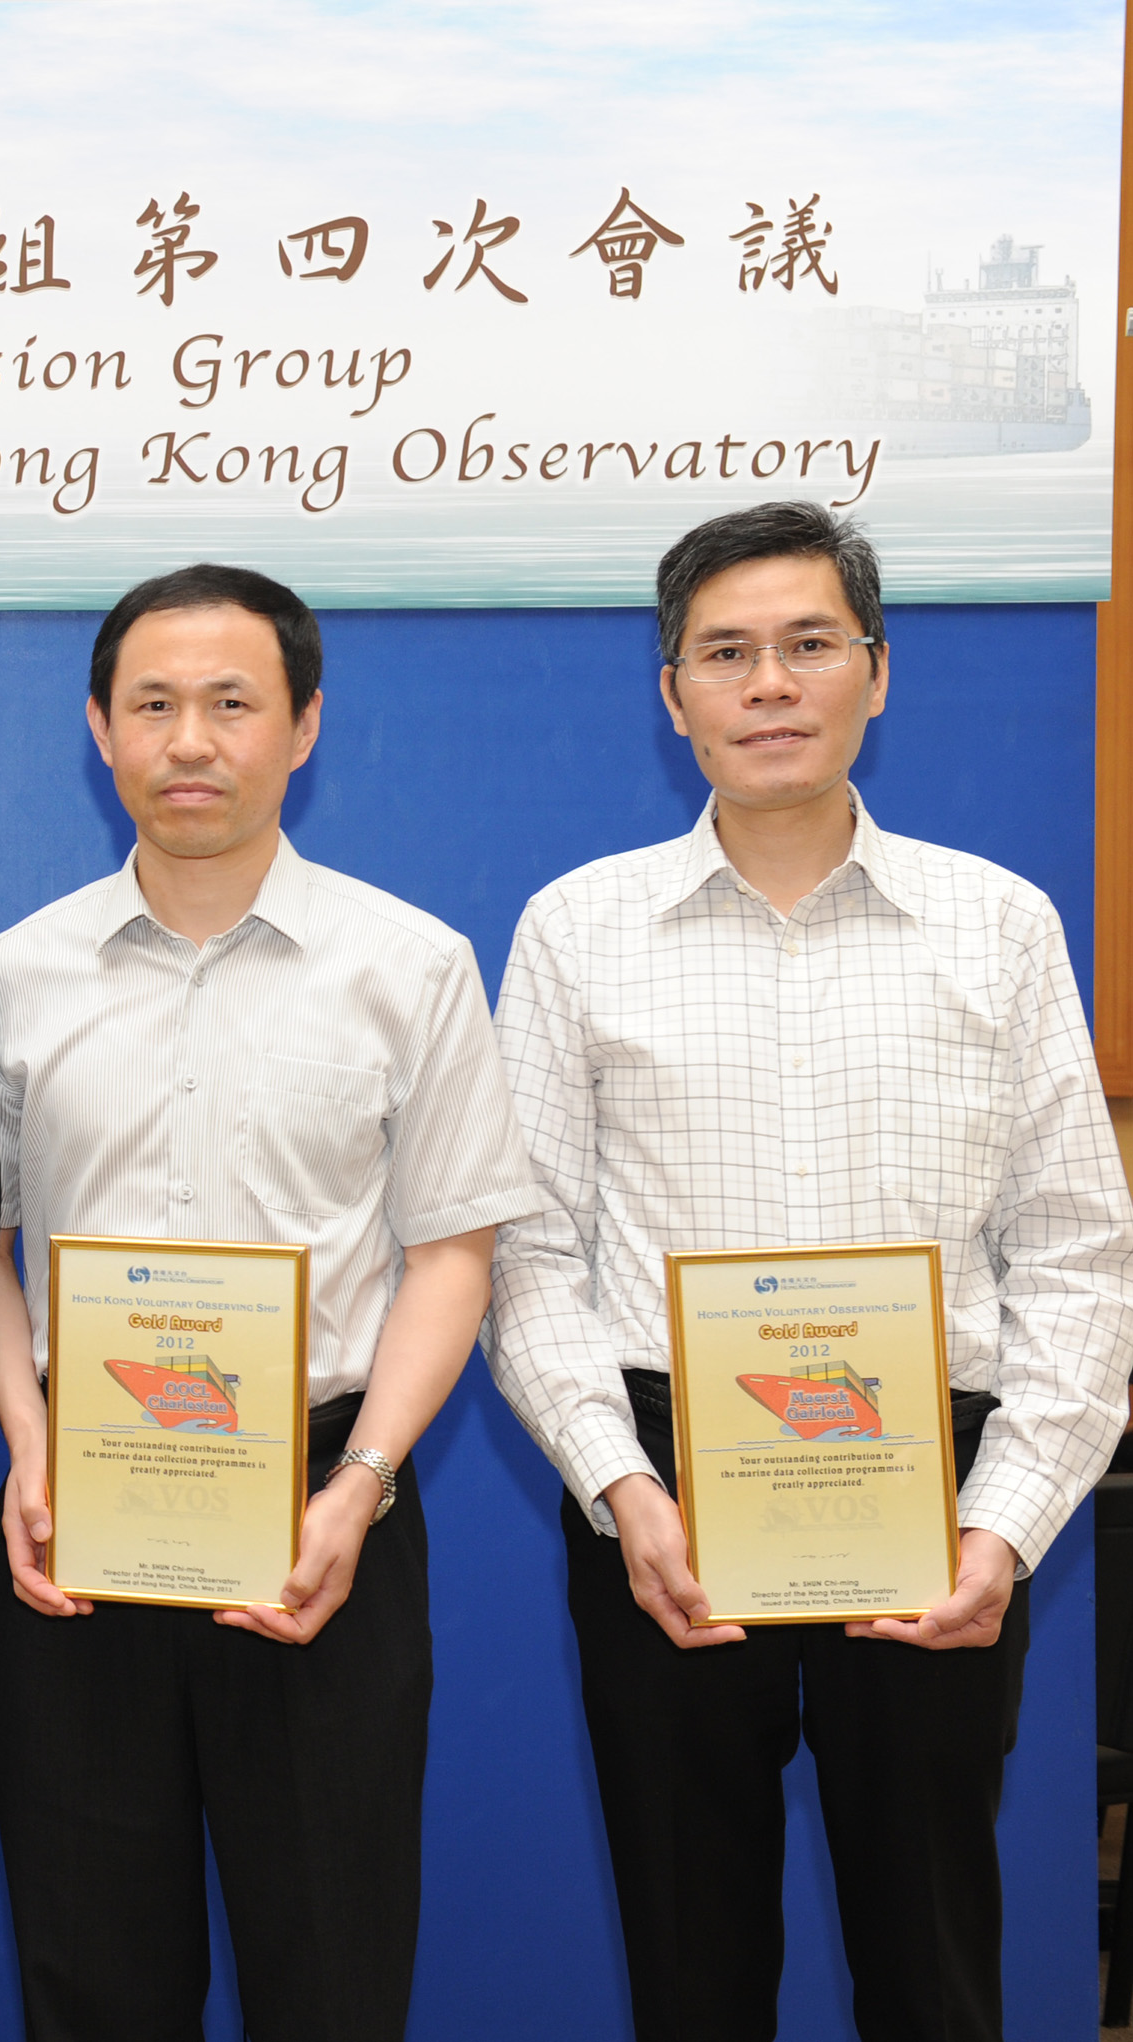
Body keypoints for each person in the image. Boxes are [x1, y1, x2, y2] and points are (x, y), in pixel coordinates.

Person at [484, 500, 1133, 2042]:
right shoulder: (576, 929)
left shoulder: (998, 923)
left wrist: (1008, 1522)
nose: (767, 683)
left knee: (929, 1956)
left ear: (875, 672)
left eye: (805, 645)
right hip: (663, 1488)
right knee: (691, 1957)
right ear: (671, 693)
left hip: (928, 1481)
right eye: (724, 653)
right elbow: (526, 1246)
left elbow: (1074, 1250)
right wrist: (615, 1486)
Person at [0, 564, 546, 2042]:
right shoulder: (9, 977)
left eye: (231, 703)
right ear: (97, 727)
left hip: (324, 1514)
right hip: (80, 1522)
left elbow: (450, 1251)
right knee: (93, 1972)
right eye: (152, 704)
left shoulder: (409, 966)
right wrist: (27, 1437)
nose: (189, 739)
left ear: (300, 727)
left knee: (331, 1964)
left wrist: (358, 1486)